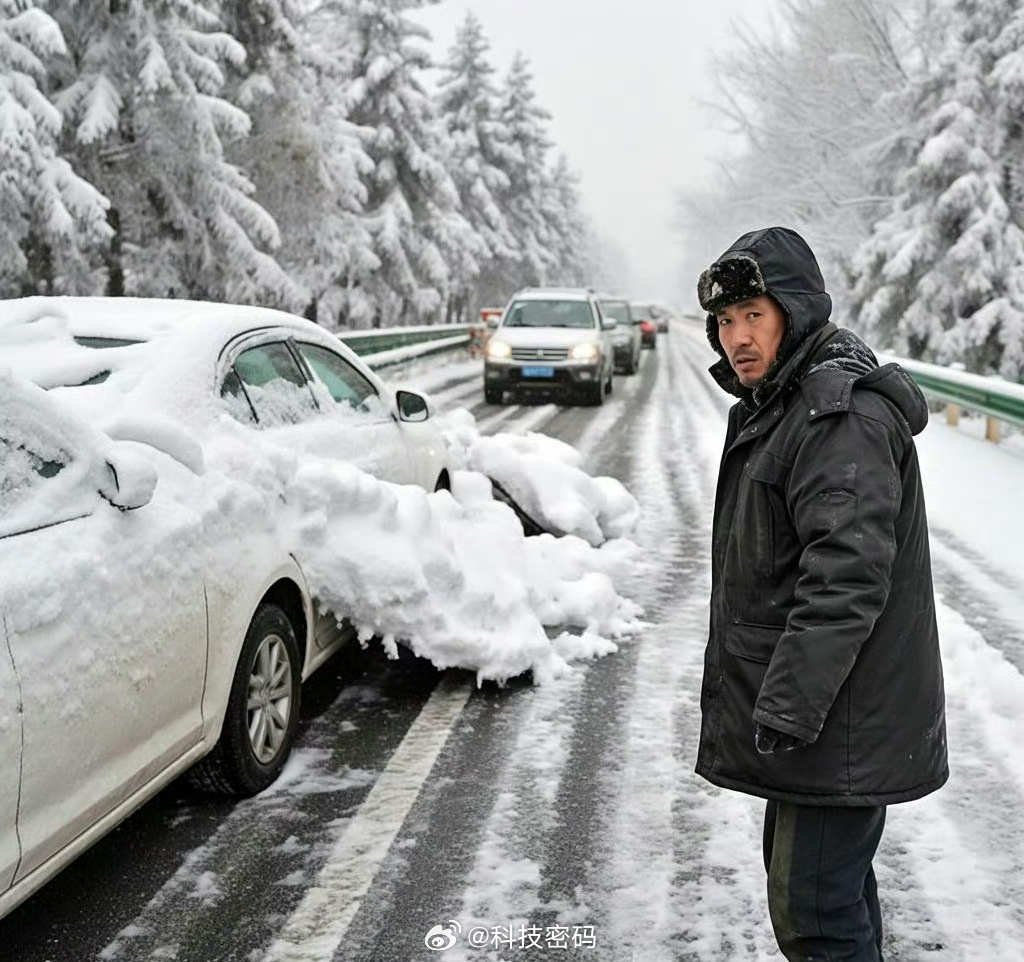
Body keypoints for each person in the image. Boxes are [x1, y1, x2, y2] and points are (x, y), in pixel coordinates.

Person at [694, 226, 948, 962]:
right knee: (826, 897)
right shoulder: (788, 402)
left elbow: (845, 579)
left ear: (795, 313)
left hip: (837, 719)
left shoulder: (835, 417)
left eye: (754, 316)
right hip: (828, 719)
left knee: (813, 913)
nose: (736, 338)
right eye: (726, 320)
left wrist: (787, 705)